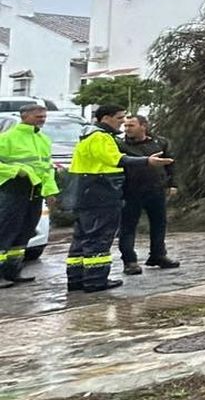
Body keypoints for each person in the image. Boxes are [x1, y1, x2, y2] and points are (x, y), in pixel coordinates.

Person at [67, 105, 171, 293]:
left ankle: (77, 279)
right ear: (106, 118)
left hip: (88, 190)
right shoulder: (100, 137)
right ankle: (95, 280)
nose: (123, 122)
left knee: (81, 238)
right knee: (99, 237)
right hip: (100, 192)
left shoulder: (89, 135)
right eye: (120, 118)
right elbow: (117, 159)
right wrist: (147, 161)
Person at [0, 103, 57, 287]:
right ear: (24, 116)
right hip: (13, 190)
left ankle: (13, 271)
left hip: (35, 192)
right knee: (5, 232)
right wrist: (16, 170)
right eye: (38, 116)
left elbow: (47, 169)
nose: (42, 120)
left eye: (44, 116)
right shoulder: (8, 138)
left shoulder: (44, 140)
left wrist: (50, 192)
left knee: (24, 233)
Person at [117, 114, 179, 274]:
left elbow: (170, 163)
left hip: (155, 189)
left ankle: (158, 255)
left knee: (159, 224)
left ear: (143, 126)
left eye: (131, 125)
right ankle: (129, 261)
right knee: (128, 227)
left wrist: (172, 184)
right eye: (126, 126)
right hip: (130, 191)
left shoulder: (159, 142)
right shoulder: (120, 144)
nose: (127, 129)